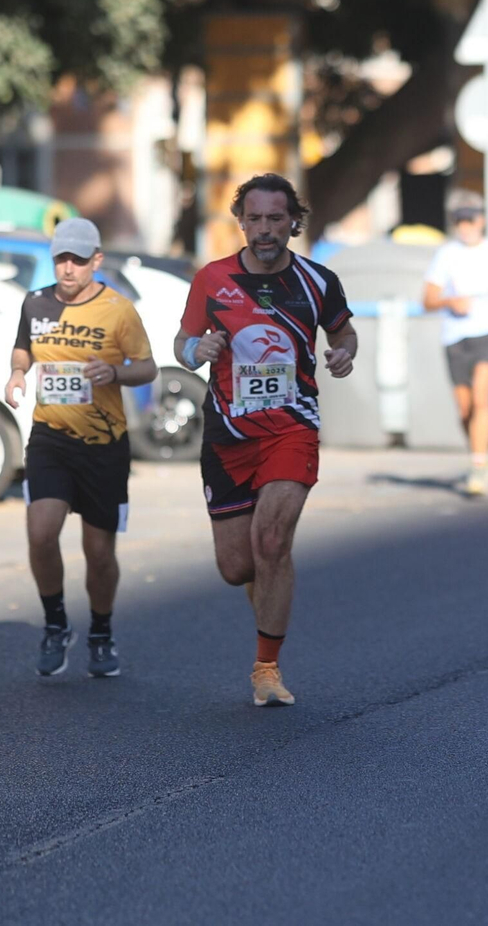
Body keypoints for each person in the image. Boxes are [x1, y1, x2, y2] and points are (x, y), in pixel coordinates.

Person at [175, 174, 358, 707]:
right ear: (241, 222)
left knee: (272, 541)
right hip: (228, 436)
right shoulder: (212, 278)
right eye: (254, 219)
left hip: (291, 428)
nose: (264, 229)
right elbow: (182, 340)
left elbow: (342, 331)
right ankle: (270, 593)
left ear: (293, 222)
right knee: (238, 566)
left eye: (275, 218)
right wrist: (197, 350)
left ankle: (266, 669)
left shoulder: (317, 281)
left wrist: (345, 352)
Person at [5, 219, 157, 678]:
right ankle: (55, 624)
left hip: (103, 444)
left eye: (77, 259)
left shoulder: (118, 310)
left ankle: (101, 631)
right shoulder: (36, 303)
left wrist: (114, 374)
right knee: (41, 532)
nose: (67, 269)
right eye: (60, 259)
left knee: (98, 551)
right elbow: (21, 350)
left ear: (96, 260)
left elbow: (147, 368)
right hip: (51, 437)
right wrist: (17, 375)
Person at [424, 190, 488, 495]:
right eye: (459, 221)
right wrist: (450, 301)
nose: (465, 226)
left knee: (481, 397)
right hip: (455, 336)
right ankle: (479, 455)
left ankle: (479, 466)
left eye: (470, 220)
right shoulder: (446, 254)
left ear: (481, 220)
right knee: (465, 408)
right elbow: (427, 299)